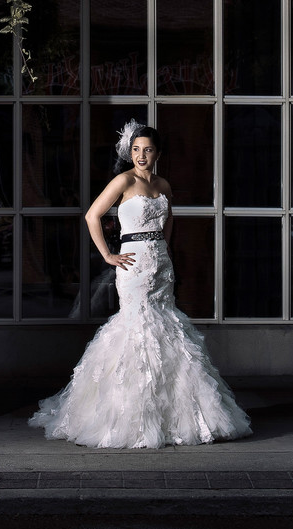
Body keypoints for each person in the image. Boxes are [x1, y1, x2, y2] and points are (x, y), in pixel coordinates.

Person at [28, 119, 252, 448]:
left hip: (161, 263)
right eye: (136, 150)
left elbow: (169, 219)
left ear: (158, 153)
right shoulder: (123, 180)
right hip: (132, 265)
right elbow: (92, 216)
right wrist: (107, 254)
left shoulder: (164, 184)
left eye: (147, 150)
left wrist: (165, 250)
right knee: (137, 325)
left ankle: (176, 415)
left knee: (167, 326)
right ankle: (129, 415)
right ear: (130, 153)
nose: (141, 155)